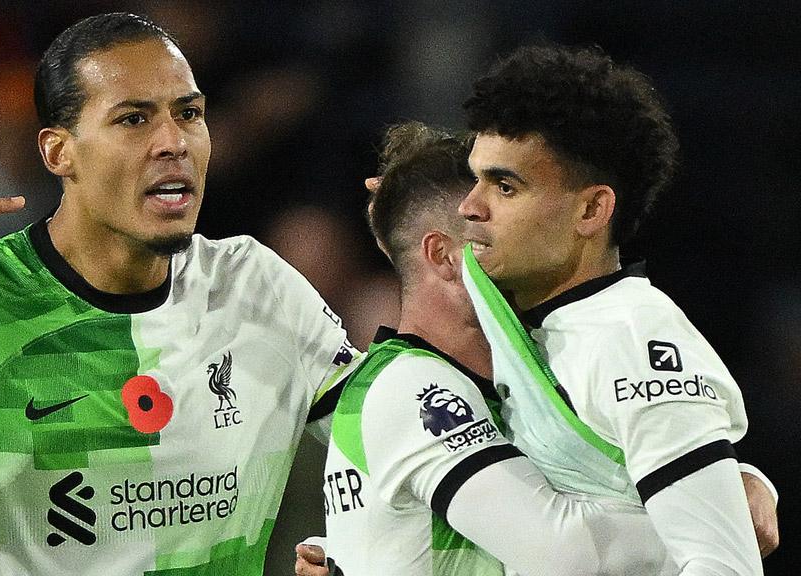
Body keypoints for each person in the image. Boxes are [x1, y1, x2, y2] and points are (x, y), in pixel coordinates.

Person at [0, 13, 362, 575]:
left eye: (188, 114)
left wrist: (364, 553)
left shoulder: (253, 285)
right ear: (58, 153)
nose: (173, 142)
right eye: (134, 119)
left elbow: (395, 437)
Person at [458, 43, 768, 574]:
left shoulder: (632, 338)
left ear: (592, 209)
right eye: (475, 177)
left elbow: (724, 566)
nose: (469, 206)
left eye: (505, 187)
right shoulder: (507, 307)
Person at [319, 121, 678, 575]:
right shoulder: (412, 387)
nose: (516, 256)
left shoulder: (510, 385)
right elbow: (567, 553)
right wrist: (700, 514)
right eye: (488, 241)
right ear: (443, 256)